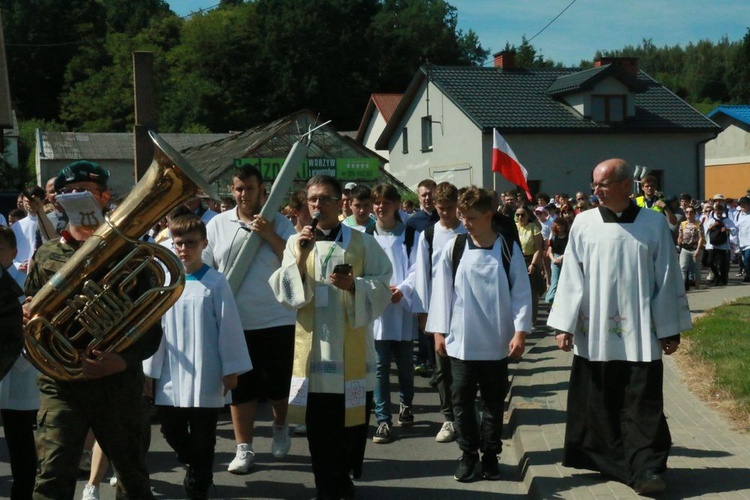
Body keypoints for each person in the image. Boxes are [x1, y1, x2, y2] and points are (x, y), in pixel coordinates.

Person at [547, 158, 692, 495]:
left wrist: (669, 329)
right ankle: (609, 461)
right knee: (599, 399)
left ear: (626, 186)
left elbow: (667, 279)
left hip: (641, 332)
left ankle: (647, 467)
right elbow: (571, 277)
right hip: (595, 331)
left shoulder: (654, 224)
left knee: (643, 403)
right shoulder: (583, 223)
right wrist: (564, 325)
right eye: (594, 184)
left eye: (603, 184)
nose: (595, 190)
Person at [25, 160, 161, 499]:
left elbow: (151, 327)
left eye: (84, 192)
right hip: (62, 383)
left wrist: (123, 359)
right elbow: (31, 313)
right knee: (52, 478)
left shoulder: (131, 254)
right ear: (58, 203)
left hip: (118, 383)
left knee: (132, 479)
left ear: (104, 198)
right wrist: (27, 314)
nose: (75, 197)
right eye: (68, 193)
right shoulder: (46, 255)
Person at [269, 175, 392, 500]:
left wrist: (354, 286)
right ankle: (328, 487)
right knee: (321, 435)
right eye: (312, 200)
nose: (317, 205)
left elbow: (383, 282)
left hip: (352, 355)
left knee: (352, 431)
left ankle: (343, 476)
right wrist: (299, 257)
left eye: (324, 199)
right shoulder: (297, 243)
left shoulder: (362, 242)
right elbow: (286, 295)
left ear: (340, 203)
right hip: (315, 358)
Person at [426, 186, 531, 482]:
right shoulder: (455, 247)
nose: (465, 222)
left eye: (471, 217)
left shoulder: (507, 248)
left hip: (496, 342)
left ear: (489, 215)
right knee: (461, 401)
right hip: (461, 342)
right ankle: (468, 454)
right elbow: (441, 292)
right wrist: (439, 332)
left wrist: (520, 332)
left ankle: (490, 456)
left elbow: (521, 292)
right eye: (462, 216)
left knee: (494, 403)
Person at [144, 215, 252, 499]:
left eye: (190, 243)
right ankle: (196, 464)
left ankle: (199, 484)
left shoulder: (216, 282)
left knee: (204, 435)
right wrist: (149, 372)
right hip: (171, 371)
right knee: (170, 428)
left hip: (207, 370)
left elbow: (228, 327)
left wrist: (231, 369)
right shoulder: (165, 283)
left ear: (204, 244)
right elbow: (156, 330)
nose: (183, 249)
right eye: (178, 243)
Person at [203, 164, 296, 474]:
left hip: (276, 317)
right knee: (239, 387)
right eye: (239, 188)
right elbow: (205, 267)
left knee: (278, 385)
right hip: (234, 321)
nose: (244, 194)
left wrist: (269, 234)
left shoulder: (281, 223)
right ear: (232, 191)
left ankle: (281, 425)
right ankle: (244, 449)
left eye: (250, 189)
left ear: (262, 191)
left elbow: (296, 263)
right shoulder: (217, 224)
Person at [412, 181, 466, 444]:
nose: (445, 212)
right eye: (441, 208)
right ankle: (449, 418)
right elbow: (421, 274)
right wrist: (423, 313)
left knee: (465, 366)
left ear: (457, 205)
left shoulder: (468, 231)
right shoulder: (429, 235)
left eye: (449, 208)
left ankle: (465, 412)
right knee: (442, 367)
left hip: (466, 309)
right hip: (439, 310)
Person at [368, 184, 418, 445]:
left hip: (401, 309)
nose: (380, 207)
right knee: (379, 368)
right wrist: (377, 289)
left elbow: (417, 267)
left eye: (386, 202)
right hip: (377, 312)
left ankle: (406, 404)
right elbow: (361, 269)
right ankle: (383, 420)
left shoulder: (410, 235)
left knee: (405, 366)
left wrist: (403, 289)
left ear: (397, 204)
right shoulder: (366, 235)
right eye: (376, 203)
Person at [0, 226, 33, 499]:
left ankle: (22, 493)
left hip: (18, 372)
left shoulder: (24, 284)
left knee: (20, 441)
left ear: (13, 252)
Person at [677, 204, 705, 290]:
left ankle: (697, 286)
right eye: (687, 212)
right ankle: (681, 288)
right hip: (685, 248)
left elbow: (701, 237)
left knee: (696, 269)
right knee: (683, 268)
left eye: (691, 212)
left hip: (695, 248)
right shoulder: (682, 224)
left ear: (694, 213)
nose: (689, 214)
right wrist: (679, 245)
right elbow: (680, 236)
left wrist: (698, 250)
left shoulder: (698, 224)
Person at [545, 216, 569, 304]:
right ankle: (550, 299)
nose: (559, 227)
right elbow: (550, 251)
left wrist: (562, 257)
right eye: (558, 225)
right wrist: (554, 259)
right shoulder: (554, 237)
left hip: (566, 258)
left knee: (565, 281)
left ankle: (564, 300)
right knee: (555, 280)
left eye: (561, 225)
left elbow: (570, 250)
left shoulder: (569, 237)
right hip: (555, 258)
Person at [735, 196, 750, 283]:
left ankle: (748, 276)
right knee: (745, 261)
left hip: (749, 243)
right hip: (742, 242)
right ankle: (747, 274)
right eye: (742, 204)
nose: (743, 206)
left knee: (748, 258)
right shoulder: (738, 215)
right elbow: (736, 228)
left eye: (745, 204)